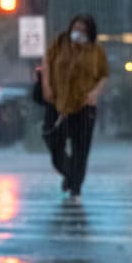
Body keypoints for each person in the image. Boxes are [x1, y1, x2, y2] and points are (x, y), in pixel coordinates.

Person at [41, 14, 109, 202]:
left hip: (84, 105)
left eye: (83, 30)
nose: (78, 33)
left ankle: (75, 186)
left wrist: (95, 93)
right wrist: (46, 85)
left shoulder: (96, 51)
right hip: (58, 103)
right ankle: (70, 174)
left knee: (81, 149)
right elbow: (46, 62)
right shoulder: (60, 43)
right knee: (54, 142)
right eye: (75, 28)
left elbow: (104, 75)